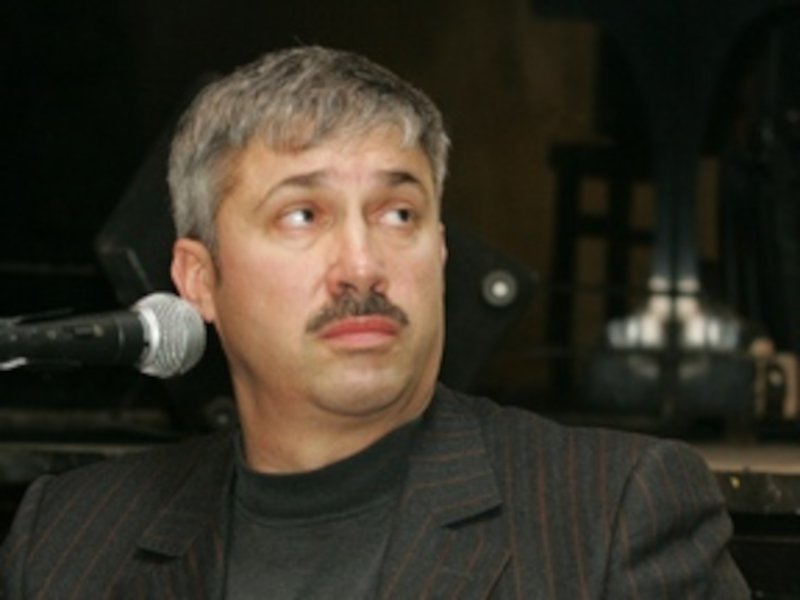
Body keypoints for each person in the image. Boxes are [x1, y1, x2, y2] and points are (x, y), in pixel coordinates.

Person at [1, 46, 749, 598]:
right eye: (302, 215)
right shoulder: (68, 540)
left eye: (399, 214)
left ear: (441, 251)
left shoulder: (613, 513)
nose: (362, 265)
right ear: (199, 280)